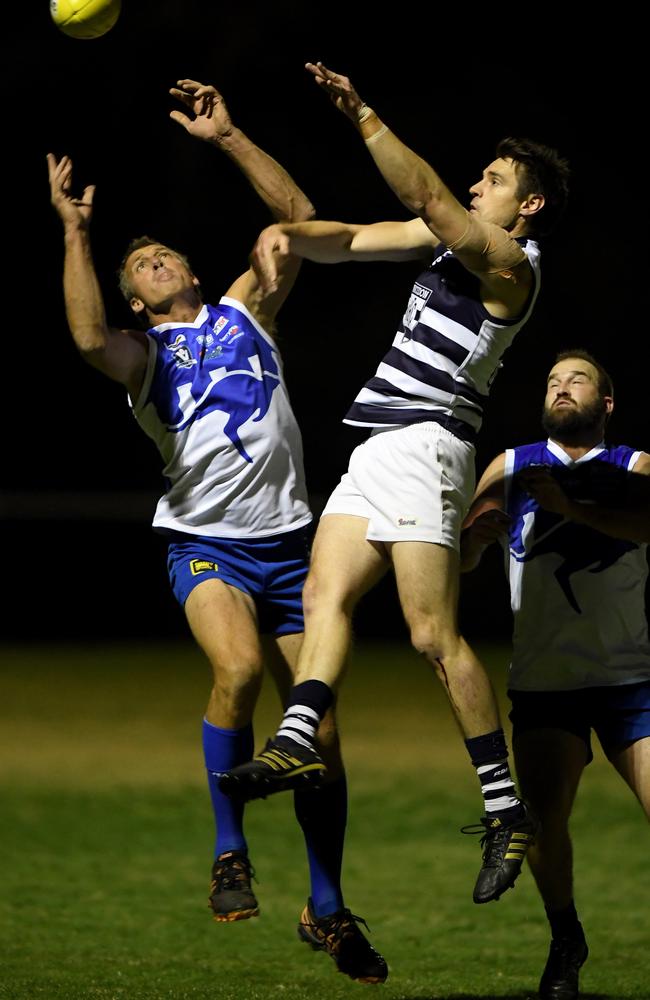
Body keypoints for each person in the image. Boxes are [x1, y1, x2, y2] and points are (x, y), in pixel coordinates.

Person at [47, 78, 388, 985]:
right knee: (236, 672)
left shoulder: (245, 311)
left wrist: (230, 135)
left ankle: (326, 905)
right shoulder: (143, 356)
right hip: (206, 543)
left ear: (194, 274)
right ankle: (230, 849)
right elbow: (86, 339)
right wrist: (77, 232)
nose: (156, 259)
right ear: (137, 301)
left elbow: (296, 219)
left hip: (292, 545)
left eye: (165, 253)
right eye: (141, 264)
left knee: (320, 738)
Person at [220, 62, 571, 906]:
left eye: (493, 180)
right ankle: (299, 734)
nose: (476, 185)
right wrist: (290, 237)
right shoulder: (449, 242)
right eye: (482, 177)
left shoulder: (509, 266)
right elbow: (348, 238)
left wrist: (364, 114)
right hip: (378, 447)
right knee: (321, 596)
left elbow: (429, 202)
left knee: (428, 635)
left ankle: (502, 806)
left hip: (428, 448)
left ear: (526, 207)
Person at [460, 349, 650, 999]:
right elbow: (461, 555)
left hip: (631, 680)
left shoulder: (635, 466)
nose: (562, 388)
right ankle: (565, 937)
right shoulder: (510, 466)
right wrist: (477, 539)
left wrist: (572, 510)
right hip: (545, 685)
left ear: (607, 402)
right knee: (544, 823)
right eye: (552, 381)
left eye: (578, 380)